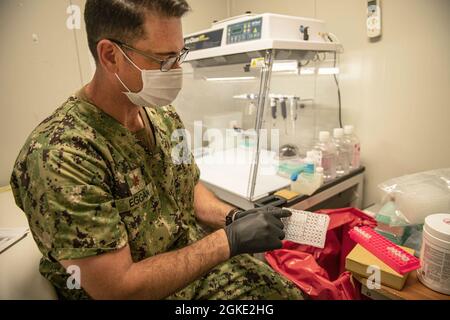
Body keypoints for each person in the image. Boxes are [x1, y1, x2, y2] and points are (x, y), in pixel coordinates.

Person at [10, 0, 303, 300]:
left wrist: (233, 219)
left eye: (179, 56)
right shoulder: (61, 155)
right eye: (164, 60)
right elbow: (118, 289)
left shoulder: (160, 115)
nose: (176, 71)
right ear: (111, 55)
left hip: (193, 267)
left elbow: (186, 187)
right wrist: (228, 241)